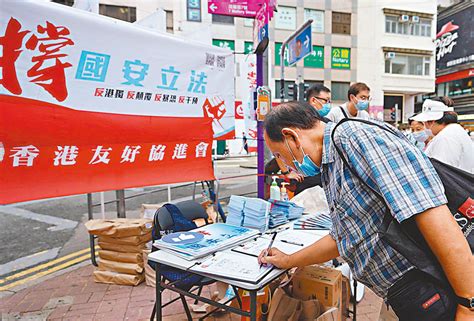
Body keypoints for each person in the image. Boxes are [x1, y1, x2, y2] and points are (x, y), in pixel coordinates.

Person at [259, 101, 473, 321]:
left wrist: (468, 304)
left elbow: (430, 213)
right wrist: (289, 260)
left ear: (291, 137)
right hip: (401, 293)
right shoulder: (332, 164)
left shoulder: (355, 138)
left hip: (426, 285)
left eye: (279, 155)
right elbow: (344, 238)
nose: (285, 166)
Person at [412, 98, 473, 173]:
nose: (425, 127)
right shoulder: (453, 131)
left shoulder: (446, 138)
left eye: (424, 123)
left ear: (431, 122)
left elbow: (442, 172)